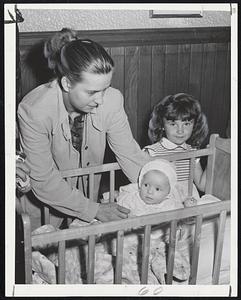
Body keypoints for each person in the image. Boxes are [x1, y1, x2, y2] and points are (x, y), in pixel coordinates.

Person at [17, 28, 149, 230]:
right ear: (67, 83)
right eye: (93, 92)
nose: (101, 99)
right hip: (43, 213)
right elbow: (43, 179)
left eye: (105, 88)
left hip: (87, 206)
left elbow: (130, 154)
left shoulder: (112, 100)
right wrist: (94, 210)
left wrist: (166, 188)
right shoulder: (34, 110)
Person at [144, 93, 209, 202]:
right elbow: (142, 186)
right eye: (173, 124)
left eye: (187, 124)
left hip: (188, 207)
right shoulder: (152, 152)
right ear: (162, 125)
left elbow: (202, 186)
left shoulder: (192, 152)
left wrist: (210, 161)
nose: (180, 130)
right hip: (163, 207)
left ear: (194, 125)